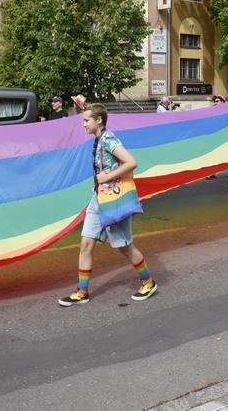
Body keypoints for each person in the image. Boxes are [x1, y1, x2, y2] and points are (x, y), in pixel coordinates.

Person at [58, 103, 157, 306]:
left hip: (113, 200)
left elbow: (131, 162)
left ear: (99, 120)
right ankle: (82, 292)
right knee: (86, 243)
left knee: (125, 247)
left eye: (86, 120)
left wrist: (107, 177)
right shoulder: (98, 139)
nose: (83, 124)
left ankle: (148, 282)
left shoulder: (109, 139)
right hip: (98, 198)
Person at [207, 96, 228, 178]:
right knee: (215, 154)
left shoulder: (226, 111)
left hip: (224, 136)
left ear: (222, 102)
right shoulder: (213, 111)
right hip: (216, 135)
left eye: (217, 101)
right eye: (215, 101)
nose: (215, 103)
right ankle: (213, 173)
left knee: (225, 155)